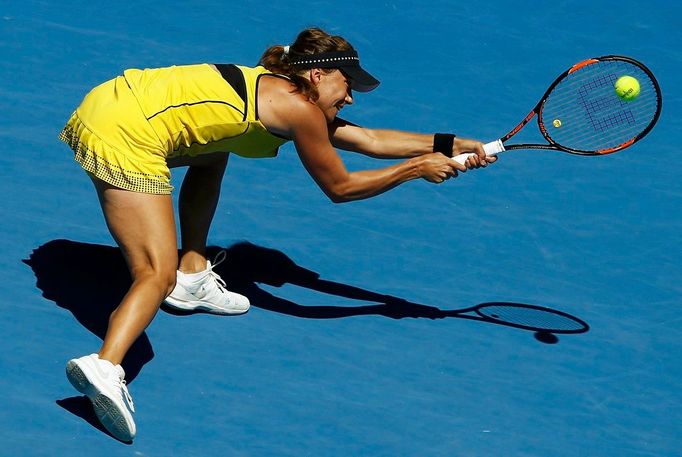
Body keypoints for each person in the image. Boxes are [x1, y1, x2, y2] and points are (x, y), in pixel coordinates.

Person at [59, 27, 496, 442]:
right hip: (125, 133)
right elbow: (341, 188)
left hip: (109, 104)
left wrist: (450, 143)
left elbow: (371, 140)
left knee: (214, 152)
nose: (350, 98)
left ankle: (193, 273)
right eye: (347, 85)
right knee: (156, 274)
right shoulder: (299, 110)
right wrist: (416, 169)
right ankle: (105, 365)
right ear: (317, 74)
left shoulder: (277, 87)